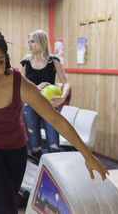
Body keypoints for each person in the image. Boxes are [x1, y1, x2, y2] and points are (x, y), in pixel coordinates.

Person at [0, 27, 108, 214]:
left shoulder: (20, 85)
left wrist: (87, 155)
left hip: (14, 151)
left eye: (0, 62)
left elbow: (56, 120)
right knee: (6, 209)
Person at [20, 29, 71, 160]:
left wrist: (62, 98)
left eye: (33, 42)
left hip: (50, 106)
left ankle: (53, 176)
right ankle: (38, 176)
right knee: (35, 146)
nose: (30, 45)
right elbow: (20, 86)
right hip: (30, 107)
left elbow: (66, 83)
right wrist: (35, 88)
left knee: (54, 145)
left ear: (41, 42)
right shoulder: (25, 62)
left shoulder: (53, 61)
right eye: (29, 42)